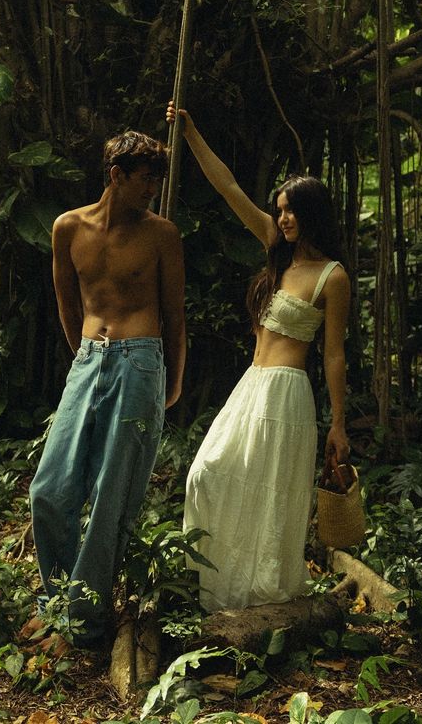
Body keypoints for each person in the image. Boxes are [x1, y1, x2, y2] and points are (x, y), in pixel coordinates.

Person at [166, 101, 350, 611]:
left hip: (289, 395)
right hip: (251, 385)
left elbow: (333, 356)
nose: (282, 217)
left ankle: (261, 598)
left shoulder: (333, 276)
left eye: (290, 209)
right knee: (207, 473)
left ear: (311, 212)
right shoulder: (276, 248)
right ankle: (218, 589)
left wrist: (338, 423)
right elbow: (228, 189)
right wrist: (191, 133)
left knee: (271, 495)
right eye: (279, 209)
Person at [26, 130, 186, 651]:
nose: (153, 191)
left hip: (142, 362)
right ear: (116, 175)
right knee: (49, 490)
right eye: (145, 180)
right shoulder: (67, 228)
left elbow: (176, 315)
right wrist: (86, 357)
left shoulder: (161, 234)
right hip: (88, 360)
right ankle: (58, 606)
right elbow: (68, 304)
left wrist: (173, 377)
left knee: (112, 494)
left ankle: (86, 621)